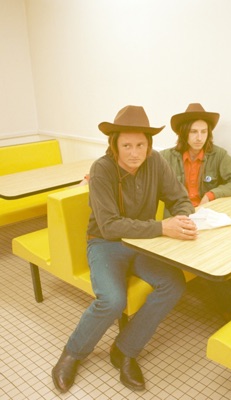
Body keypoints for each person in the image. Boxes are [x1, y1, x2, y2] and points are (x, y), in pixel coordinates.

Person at [52, 105, 198, 393]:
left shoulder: (156, 162)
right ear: (114, 145)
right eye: (127, 145)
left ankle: (124, 349)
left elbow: (180, 198)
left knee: (173, 284)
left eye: (140, 145)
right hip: (105, 243)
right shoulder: (101, 169)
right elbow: (109, 226)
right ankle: (73, 352)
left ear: (149, 145)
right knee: (113, 300)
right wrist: (162, 227)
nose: (134, 153)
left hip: (143, 243)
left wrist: (182, 218)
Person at [160, 103, 231, 321]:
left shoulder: (217, 155)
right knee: (209, 259)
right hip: (179, 220)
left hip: (207, 218)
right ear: (184, 133)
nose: (199, 137)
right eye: (194, 131)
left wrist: (211, 195)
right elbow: (138, 172)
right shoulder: (165, 157)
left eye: (203, 132)